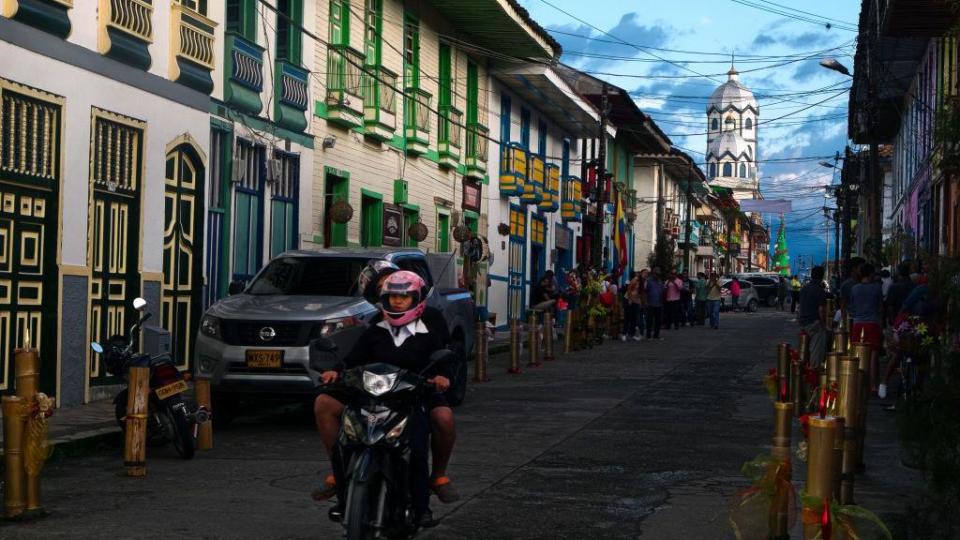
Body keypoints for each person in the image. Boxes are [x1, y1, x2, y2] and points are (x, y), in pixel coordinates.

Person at [313, 271, 458, 526]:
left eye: (404, 297)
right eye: (392, 297)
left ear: (417, 299)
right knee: (328, 408)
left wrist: (441, 378)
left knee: (424, 437)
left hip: (412, 396)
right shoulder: (374, 329)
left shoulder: (429, 328)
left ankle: (426, 498)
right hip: (373, 394)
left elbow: (443, 362)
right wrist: (335, 371)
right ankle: (340, 479)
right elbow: (353, 360)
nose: (397, 302)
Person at [798, 265, 829, 368]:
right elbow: (821, 310)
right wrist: (824, 325)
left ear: (811, 275)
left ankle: (802, 375)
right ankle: (813, 377)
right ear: (822, 276)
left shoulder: (804, 288)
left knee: (803, 352)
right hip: (814, 323)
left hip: (803, 323)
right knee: (816, 353)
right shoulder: (819, 290)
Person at [620, 272, 642, 341]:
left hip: (636, 301)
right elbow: (629, 289)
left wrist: (640, 302)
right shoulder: (635, 280)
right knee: (627, 317)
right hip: (629, 300)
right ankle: (624, 334)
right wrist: (629, 299)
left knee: (634, 318)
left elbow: (641, 293)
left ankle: (632, 334)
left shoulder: (642, 282)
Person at [645, 267, 664, 339]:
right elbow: (645, 292)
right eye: (656, 274)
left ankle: (656, 335)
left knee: (658, 321)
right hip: (650, 303)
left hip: (659, 304)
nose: (657, 275)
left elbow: (662, 291)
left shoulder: (660, 281)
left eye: (658, 274)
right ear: (653, 273)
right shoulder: (649, 281)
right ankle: (648, 335)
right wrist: (646, 302)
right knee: (649, 320)